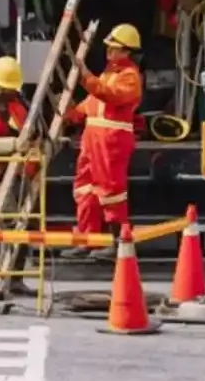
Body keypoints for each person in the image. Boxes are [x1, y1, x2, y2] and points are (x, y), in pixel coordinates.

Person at [62, 23, 144, 261]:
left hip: (112, 141)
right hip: (93, 139)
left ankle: (118, 242)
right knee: (84, 187)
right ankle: (87, 240)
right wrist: (69, 116)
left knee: (111, 191)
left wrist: (85, 76)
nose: (108, 53)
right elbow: (92, 104)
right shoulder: (109, 74)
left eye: (113, 48)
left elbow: (109, 96)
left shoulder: (130, 77)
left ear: (127, 51)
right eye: (108, 48)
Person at [0, 56, 38, 297]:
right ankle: (3, 279)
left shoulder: (19, 101)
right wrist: (14, 144)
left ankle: (15, 279)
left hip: (25, 174)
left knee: (25, 226)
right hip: (3, 177)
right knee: (10, 225)